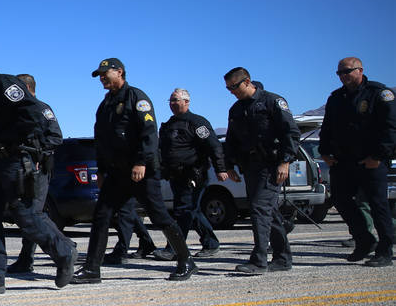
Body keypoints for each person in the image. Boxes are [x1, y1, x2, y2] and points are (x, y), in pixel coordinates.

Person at [0, 54, 75, 294]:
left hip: (15, 161)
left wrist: (19, 145)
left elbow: (32, 114)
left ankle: (64, 251)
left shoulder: (3, 85)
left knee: (26, 216)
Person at [71, 58, 196, 284]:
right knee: (101, 216)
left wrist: (141, 162)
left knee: (159, 215)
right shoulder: (106, 103)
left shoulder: (137, 98)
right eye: (99, 75)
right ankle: (92, 269)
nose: (101, 78)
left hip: (141, 171)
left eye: (104, 74)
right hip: (116, 173)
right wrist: (100, 170)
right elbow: (102, 139)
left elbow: (149, 133)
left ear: (119, 72)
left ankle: (186, 260)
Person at [221, 67, 300, 274]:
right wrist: (229, 165)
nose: (231, 91)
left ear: (247, 82)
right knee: (269, 213)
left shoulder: (272, 102)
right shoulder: (236, 110)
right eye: (228, 88)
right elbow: (231, 140)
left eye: (234, 86)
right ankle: (282, 258)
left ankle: (259, 260)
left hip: (271, 165)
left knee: (258, 209)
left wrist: (285, 162)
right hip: (250, 166)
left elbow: (290, 133)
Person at [319, 57, 395, 267]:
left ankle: (385, 250)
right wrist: (324, 152)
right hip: (343, 161)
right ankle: (364, 239)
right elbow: (327, 127)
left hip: (371, 160)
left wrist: (379, 156)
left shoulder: (378, 94)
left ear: (360, 70)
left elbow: (390, 128)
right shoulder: (336, 98)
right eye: (339, 73)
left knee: (378, 206)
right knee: (340, 200)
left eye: (347, 72)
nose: (343, 76)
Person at [6, 74, 66, 274]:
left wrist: (38, 151)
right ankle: (25, 259)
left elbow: (56, 137)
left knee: (35, 214)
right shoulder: (17, 111)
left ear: (26, 87)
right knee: (26, 213)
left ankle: (66, 249)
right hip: (22, 169)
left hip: (39, 168)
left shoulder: (41, 108)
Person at [158, 88, 227, 258]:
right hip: (175, 175)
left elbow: (214, 146)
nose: (173, 104)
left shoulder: (197, 123)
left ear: (187, 102)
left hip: (193, 175)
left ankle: (174, 249)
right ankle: (211, 243)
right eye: (171, 101)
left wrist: (220, 169)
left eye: (177, 100)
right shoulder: (168, 125)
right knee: (192, 211)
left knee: (183, 211)